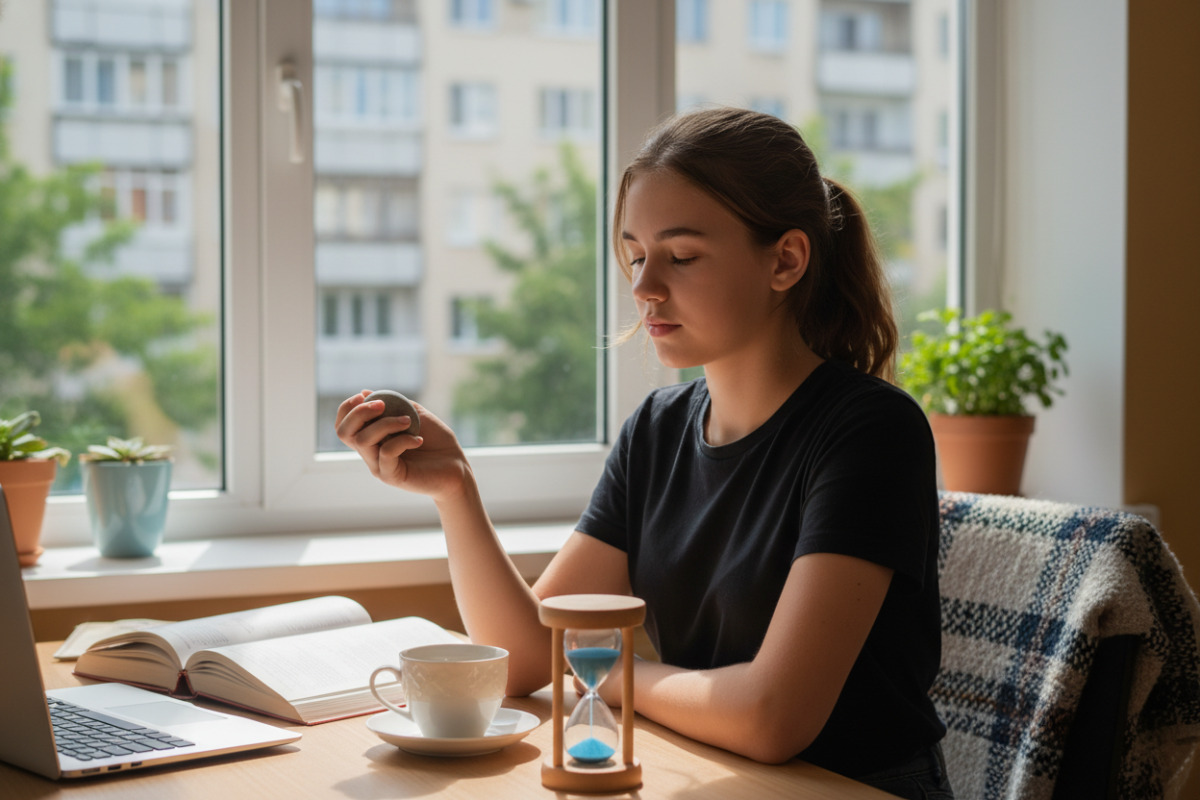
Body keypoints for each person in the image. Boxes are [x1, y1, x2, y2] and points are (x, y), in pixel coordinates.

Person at [335, 106, 953, 800]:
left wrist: (606, 667)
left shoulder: (871, 432)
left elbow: (773, 718)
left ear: (785, 259)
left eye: (681, 256)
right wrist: (455, 491)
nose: (643, 286)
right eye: (635, 256)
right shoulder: (657, 430)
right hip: (720, 777)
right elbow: (525, 659)